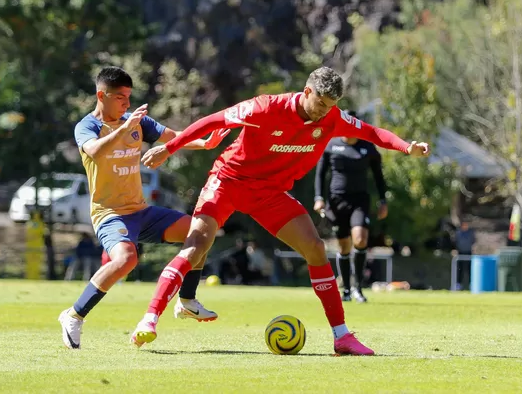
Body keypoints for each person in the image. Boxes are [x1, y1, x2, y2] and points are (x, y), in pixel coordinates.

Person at [133, 66, 430, 355]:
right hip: (228, 181)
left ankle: (342, 336)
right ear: (307, 91)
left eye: (331, 106)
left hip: (269, 194)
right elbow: (212, 121)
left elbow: (373, 133)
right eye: (321, 103)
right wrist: (169, 148)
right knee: (196, 247)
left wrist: (407, 148)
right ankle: (150, 318)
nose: (324, 112)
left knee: (315, 248)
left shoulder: (332, 118)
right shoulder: (263, 108)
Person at [58, 66, 229, 349]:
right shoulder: (87, 127)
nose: (127, 104)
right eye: (121, 98)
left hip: (141, 211)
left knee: (199, 231)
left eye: (129, 97)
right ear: (102, 95)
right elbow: (95, 151)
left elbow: (175, 136)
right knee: (127, 259)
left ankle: (187, 300)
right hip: (109, 214)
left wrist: (205, 142)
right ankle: (74, 315)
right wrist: (124, 128)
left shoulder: (137, 121)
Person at [313, 111, 388, 303]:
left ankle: (358, 288)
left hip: (359, 201)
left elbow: (379, 177)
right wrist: (319, 198)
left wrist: (382, 200)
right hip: (337, 202)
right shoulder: (331, 145)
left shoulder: (367, 148)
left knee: (360, 239)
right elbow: (320, 173)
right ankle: (346, 290)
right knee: (344, 245)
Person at [455, 220, 475, 290]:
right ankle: (458, 284)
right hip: (460, 253)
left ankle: (471, 284)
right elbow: (456, 242)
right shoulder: (458, 233)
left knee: (470, 269)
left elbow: (473, 241)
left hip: (468, 252)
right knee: (460, 269)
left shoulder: (470, 233)